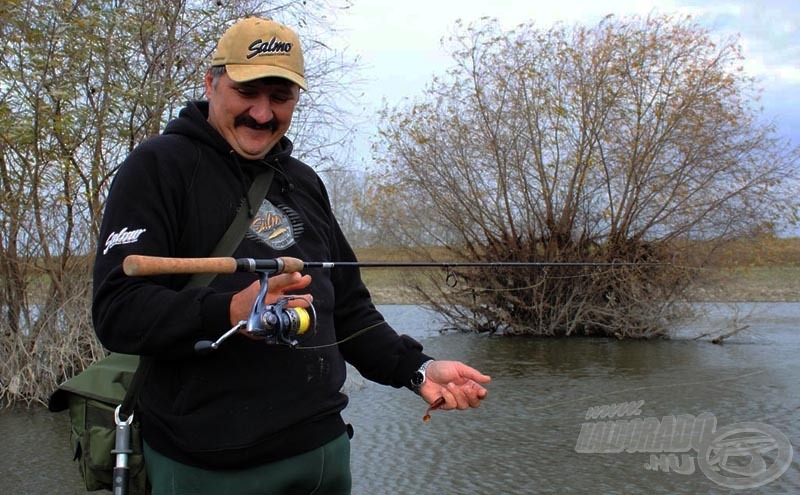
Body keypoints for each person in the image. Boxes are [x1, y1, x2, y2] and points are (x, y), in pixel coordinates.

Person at [92, 16, 490, 494]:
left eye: (280, 98)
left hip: (320, 453)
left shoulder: (303, 181)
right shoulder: (157, 166)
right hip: (208, 464)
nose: (262, 114)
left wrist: (417, 368)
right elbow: (118, 312)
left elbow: (348, 309)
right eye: (248, 92)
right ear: (212, 83)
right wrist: (232, 310)